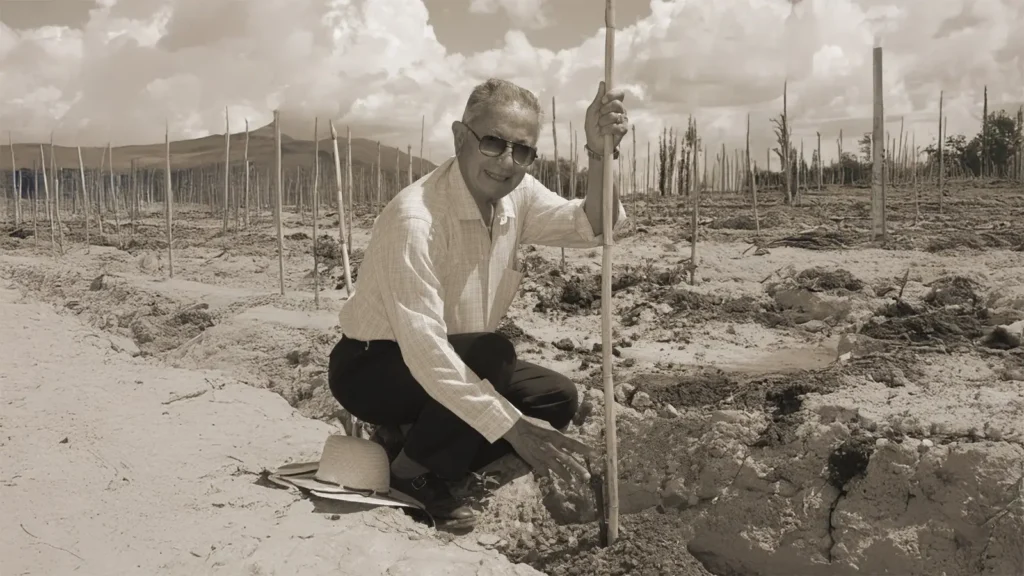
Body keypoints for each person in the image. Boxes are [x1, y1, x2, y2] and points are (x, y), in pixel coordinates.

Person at [327, 77, 629, 528]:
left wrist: (601, 153)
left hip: (454, 357)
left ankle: (408, 441)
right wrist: (513, 427)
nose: (507, 162)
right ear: (459, 137)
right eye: (493, 142)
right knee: (493, 354)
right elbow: (427, 352)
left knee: (555, 399)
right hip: (375, 368)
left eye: (522, 151)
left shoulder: (518, 195)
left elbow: (595, 225)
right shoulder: (416, 220)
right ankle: (411, 474)